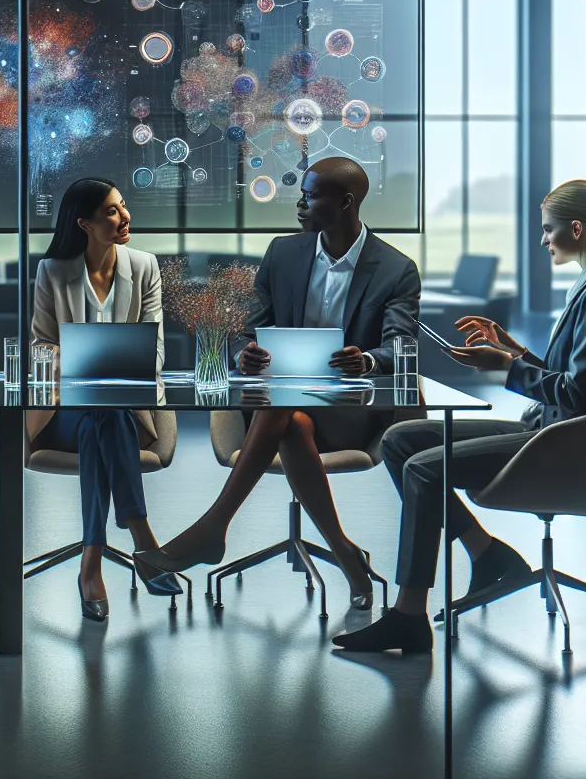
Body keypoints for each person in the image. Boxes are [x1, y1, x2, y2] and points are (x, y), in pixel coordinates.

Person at [332, 178, 586, 654]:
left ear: (576, 229)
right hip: (549, 429)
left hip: (563, 443)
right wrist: (511, 348)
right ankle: (486, 552)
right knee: (400, 440)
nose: (543, 240)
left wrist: (506, 367)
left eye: (548, 230)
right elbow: (576, 378)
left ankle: (408, 615)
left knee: (422, 468)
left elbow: (578, 395)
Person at [136, 157, 420, 613]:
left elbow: (400, 345)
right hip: (284, 406)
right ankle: (346, 556)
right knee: (289, 419)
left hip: (349, 411)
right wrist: (244, 352)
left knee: (283, 414)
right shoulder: (283, 253)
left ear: (345, 202)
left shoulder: (395, 269)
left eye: (310, 196)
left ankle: (213, 529)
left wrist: (366, 359)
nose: (300, 204)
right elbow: (252, 328)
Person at [29, 178, 182, 621]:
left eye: (123, 206)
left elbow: (153, 349)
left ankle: (90, 562)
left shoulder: (145, 265)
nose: (126, 217)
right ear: (84, 223)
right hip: (63, 410)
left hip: (125, 407)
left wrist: (94, 362)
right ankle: (143, 539)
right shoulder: (53, 272)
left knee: (107, 415)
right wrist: (92, 362)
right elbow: (42, 346)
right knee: (101, 416)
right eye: (113, 211)